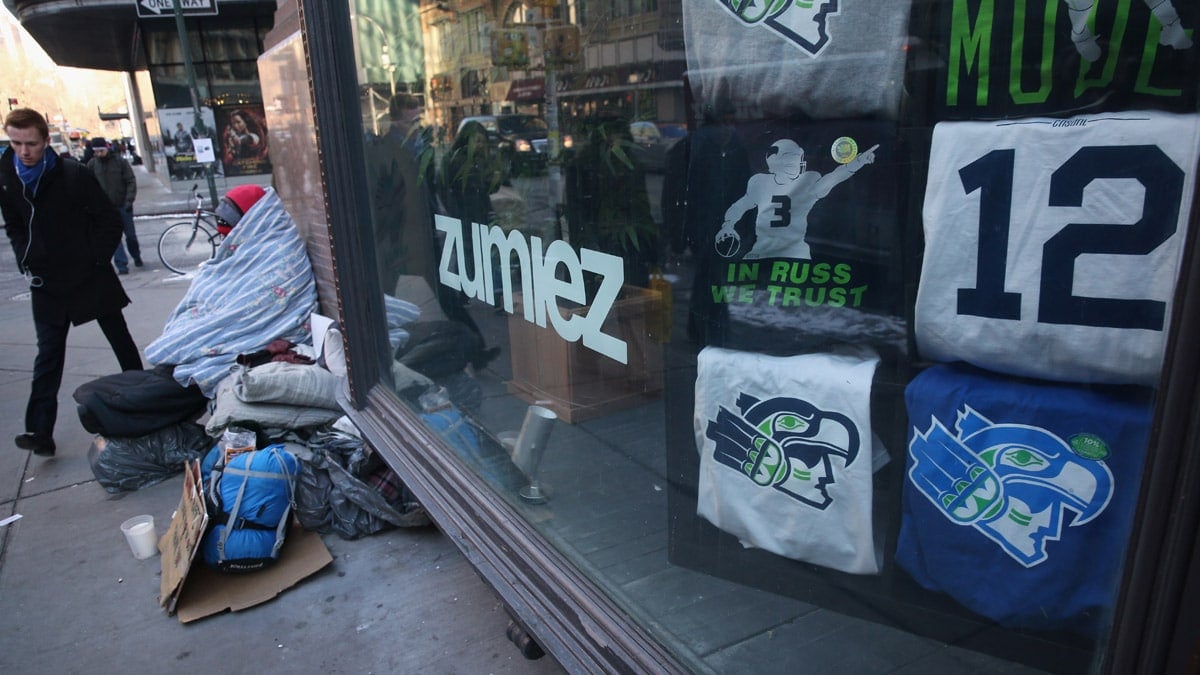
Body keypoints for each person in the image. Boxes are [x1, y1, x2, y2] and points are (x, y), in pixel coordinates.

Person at [0, 108, 142, 457]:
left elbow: (109, 221)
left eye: (31, 143)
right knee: (48, 354)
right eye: (16, 143)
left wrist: (96, 259)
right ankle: (40, 431)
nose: (24, 151)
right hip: (46, 281)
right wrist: (25, 256)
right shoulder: (7, 176)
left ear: (45, 141)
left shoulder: (72, 174)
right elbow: (14, 224)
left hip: (88, 274)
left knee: (120, 340)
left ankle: (145, 403)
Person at [715, 138, 876, 260]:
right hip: (766, 249)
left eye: (798, 157)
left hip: (792, 251)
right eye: (791, 157)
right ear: (775, 160)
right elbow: (740, 206)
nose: (797, 162)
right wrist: (727, 225)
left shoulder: (805, 181)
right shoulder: (760, 183)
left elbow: (833, 178)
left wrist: (857, 162)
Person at [86, 136, 140, 273]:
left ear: (106, 149)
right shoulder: (92, 164)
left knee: (130, 235)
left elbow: (130, 181)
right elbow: (88, 185)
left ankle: (136, 255)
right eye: (96, 151)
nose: (99, 154)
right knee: (114, 237)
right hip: (106, 208)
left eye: (101, 151)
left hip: (123, 204)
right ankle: (121, 264)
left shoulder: (119, 161)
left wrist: (129, 200)